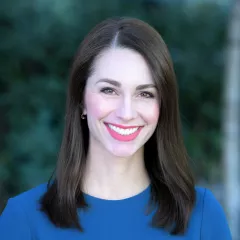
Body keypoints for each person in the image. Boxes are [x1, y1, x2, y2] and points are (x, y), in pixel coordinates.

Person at [0, 17, 232, 240]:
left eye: (145, 94)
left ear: (162, 106)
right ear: (81, 99)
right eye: (109, 90)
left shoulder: (202, 216)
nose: (127, 113)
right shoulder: (23, 219)